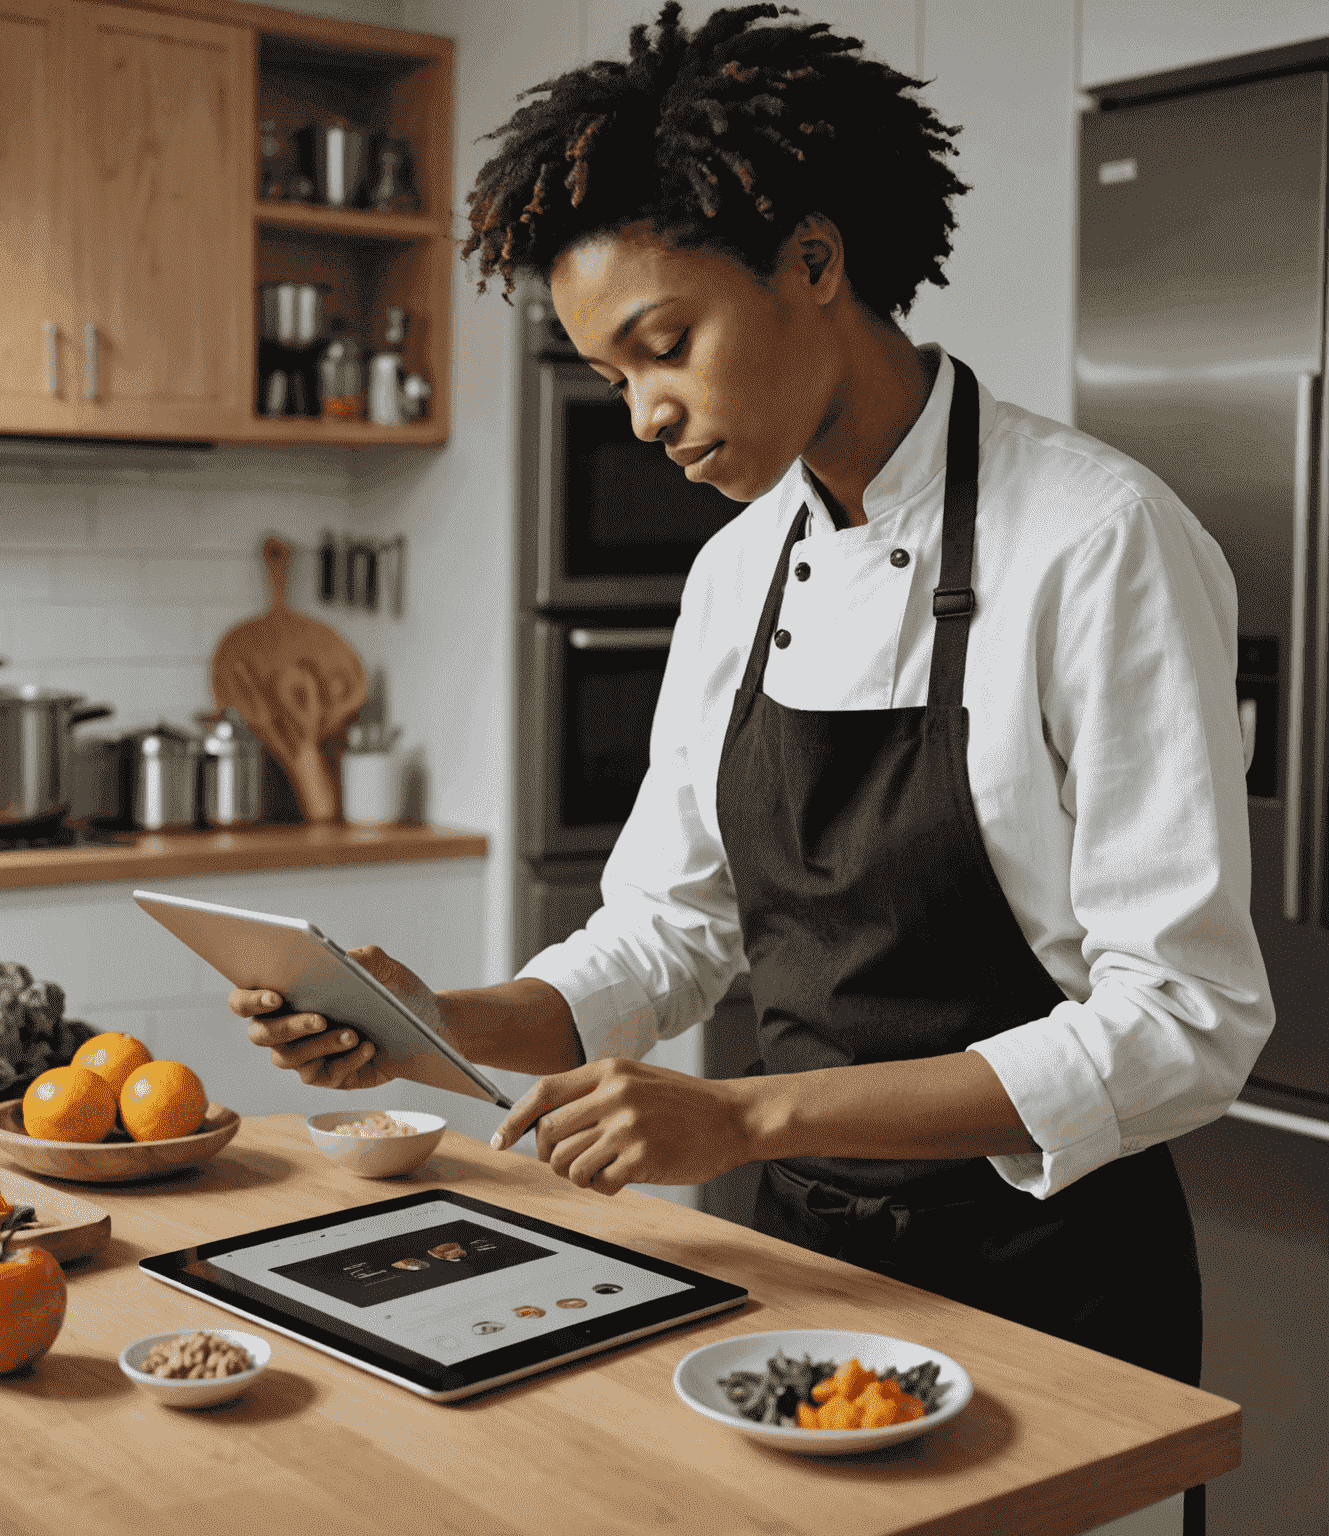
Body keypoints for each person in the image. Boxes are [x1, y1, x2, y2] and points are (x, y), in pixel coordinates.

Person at [231, 0, 1271, 1434]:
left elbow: (1187, 1018)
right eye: (613, 379)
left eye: (666, 344)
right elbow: (671, 932)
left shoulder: (1097, 541)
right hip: (787, 1261)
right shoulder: (737, 571)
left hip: (1048, 1281)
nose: (645, 412)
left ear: (816, 260)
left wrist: (741, 1118)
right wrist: (429, 1024)